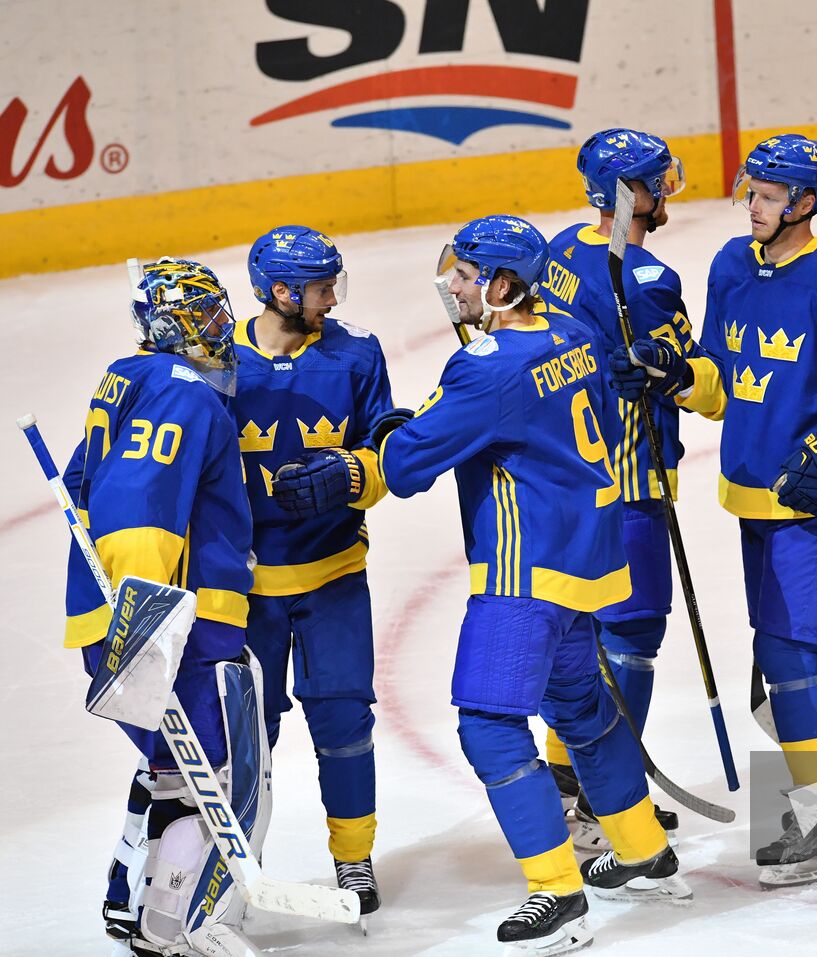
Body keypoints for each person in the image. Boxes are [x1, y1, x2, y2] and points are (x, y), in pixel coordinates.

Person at [613, 134, 817, 888]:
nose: (751, 205)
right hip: (755, 489)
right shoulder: (730, 265)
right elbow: (724, 381)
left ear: (806, 203)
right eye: (749, 191)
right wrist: (677, 376)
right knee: (803, 647)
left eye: (768, 195)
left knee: (789, 651)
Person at [376, 216, 690, 956]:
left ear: (502, 285)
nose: (453, 286)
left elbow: (405, 467)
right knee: (581, 708)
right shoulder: (573, 333)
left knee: (488, 724)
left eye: (466, 275)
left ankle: (558, 893)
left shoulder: (486, 368)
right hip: (585, 555)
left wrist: (392, 431)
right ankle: (644, 850)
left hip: (523, 573)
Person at [62, 258, 267, 955]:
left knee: (173, 770)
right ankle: (174, 927)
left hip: (131, 610)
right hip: (176, 620)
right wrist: (143, 626)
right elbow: (137, 507)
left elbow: (83, 481)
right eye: (202, 316)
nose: (220, 328)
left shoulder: (128, 379)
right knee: (216, 779)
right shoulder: (184, 391)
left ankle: (131, 903)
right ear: (167, 324)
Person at [536, 128, 693, 849]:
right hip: (630, 483)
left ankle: (565, 780)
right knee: (631, 641)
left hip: (568, 476)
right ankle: (611, 803)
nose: (667, 190)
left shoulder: (561, 249)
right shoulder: (650, 278)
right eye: (657, 180)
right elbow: (691, 374)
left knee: (584, 638)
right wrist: (673, 367)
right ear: (633, 193)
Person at [231, 226, 394, 914]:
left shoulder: (357, 353)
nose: (332, 299)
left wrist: (354, 473)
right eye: (321, 288)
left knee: (345, 723)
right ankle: (238, 863)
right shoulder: (219, 362)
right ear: (280, 292)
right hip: (244, 590)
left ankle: (353, 858)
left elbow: (389, 448)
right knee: (246, 736)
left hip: (334, 576)